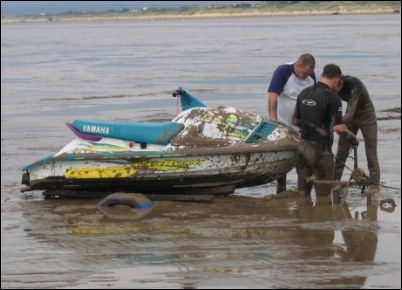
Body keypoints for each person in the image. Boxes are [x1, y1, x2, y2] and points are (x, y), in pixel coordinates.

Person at [292, 64, 358, 196]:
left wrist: (310, 126)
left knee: (302, 195)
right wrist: (352, 138)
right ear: (336, 80)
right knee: (324, 197)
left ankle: (303, 215)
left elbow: (295, 121)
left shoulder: (304, 93)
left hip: (302, 149)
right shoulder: (333, 98)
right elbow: (339, 128)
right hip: (321, 152)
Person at [267, 53, 316, 193]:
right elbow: (272, 96)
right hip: (283, 123)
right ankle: (281, 187)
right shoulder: (282, 71)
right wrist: (274, 119)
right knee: (283, 157)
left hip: (301, 124)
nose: (307, 76)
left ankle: (303, 188)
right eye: (305, 73)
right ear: (298, 65)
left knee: (303, 158)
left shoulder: (311, 77)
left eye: (310, 74)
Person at [334, 75, 380, 185]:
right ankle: (334, 182)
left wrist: (333, 126)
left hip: (367, 116)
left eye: (334, 88)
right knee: (342, 152)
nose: (333, 90)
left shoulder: (354, 84)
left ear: (340, 82)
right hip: (350, 117)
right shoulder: (332, 85)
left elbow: (349, 114)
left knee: (371, 154)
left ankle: (374, 185)